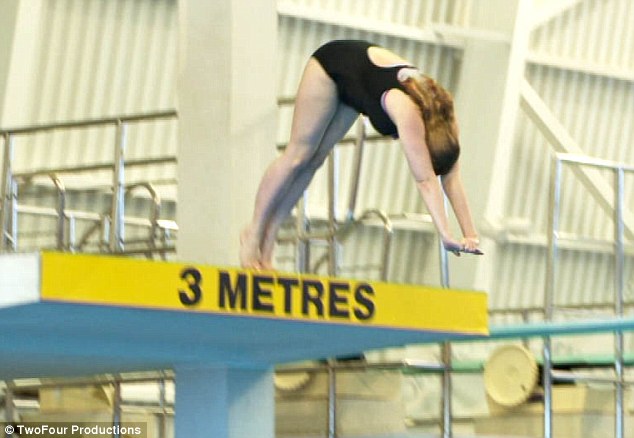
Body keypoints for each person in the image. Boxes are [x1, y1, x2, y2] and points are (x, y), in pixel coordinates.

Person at [240, 40, 481, 270]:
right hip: (333, 65)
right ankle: (254, 232)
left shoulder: (446, 118)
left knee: (314, 161)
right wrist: (446, 235)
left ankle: (269, 240)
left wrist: (471, 234)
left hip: (359, 88)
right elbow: (426, 180)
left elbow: (451, 178)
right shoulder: (408, 112)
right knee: (298, 156)